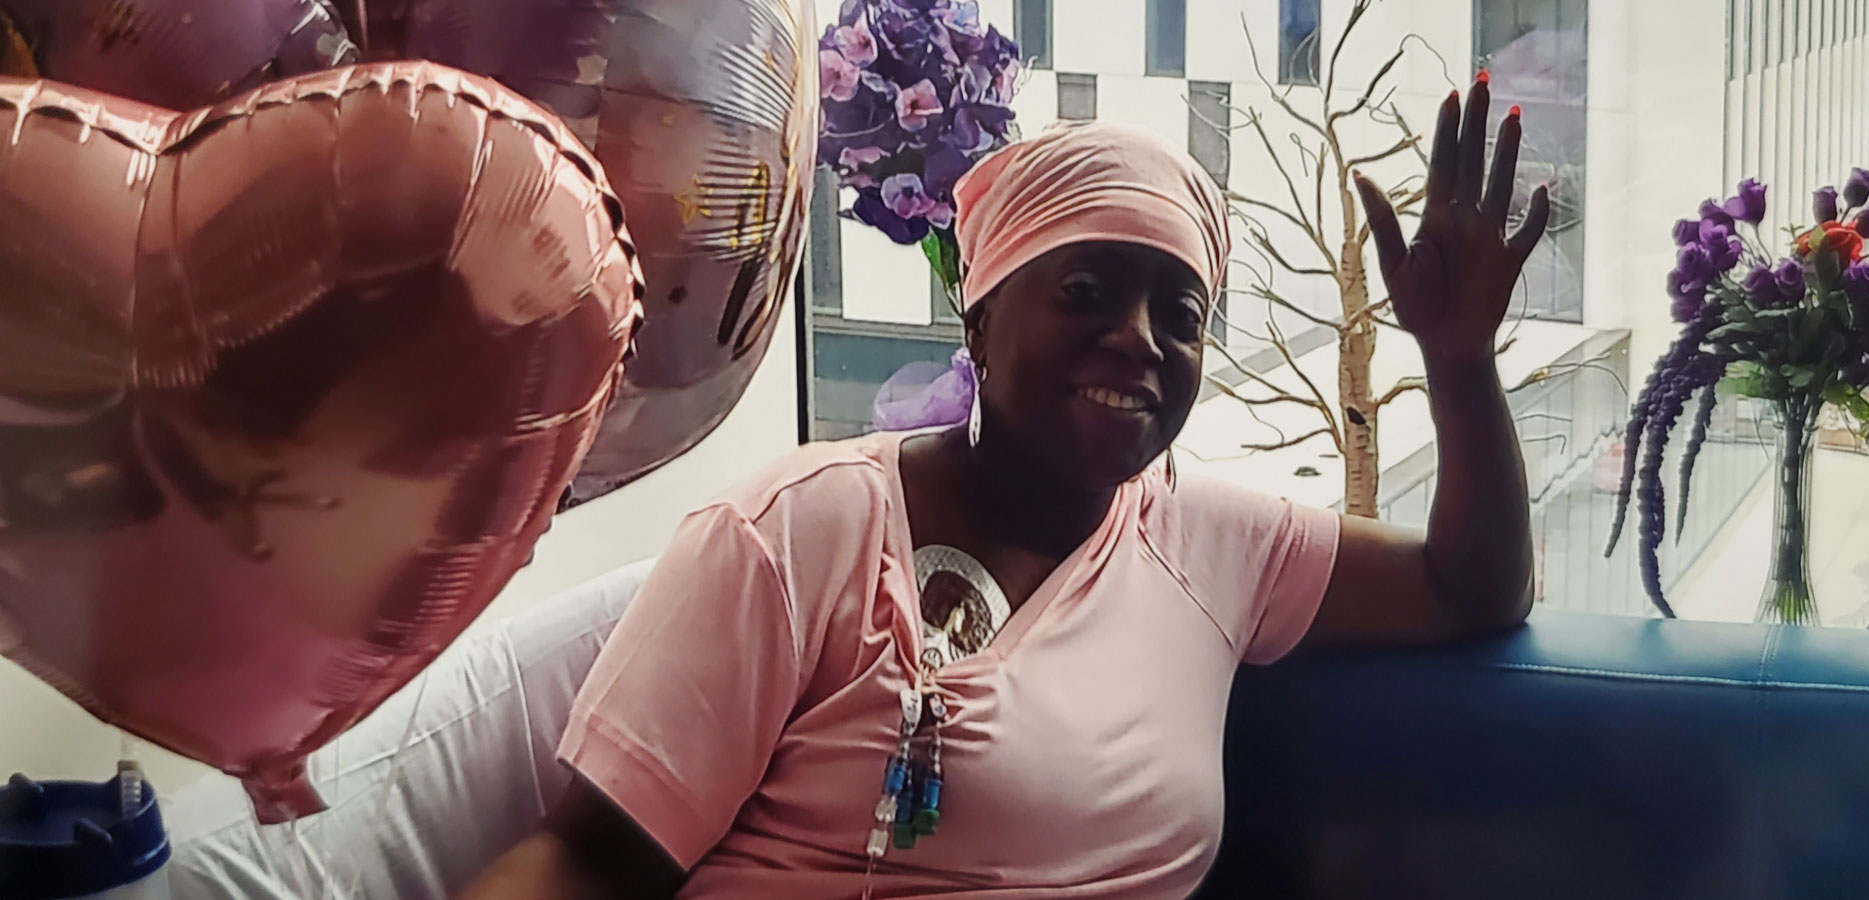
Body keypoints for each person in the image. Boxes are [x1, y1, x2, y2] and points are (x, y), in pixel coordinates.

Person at [461, 79, 1549, 900]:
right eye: (1085, 290)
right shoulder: (798, 532)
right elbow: (588, 863)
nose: (1139, 339)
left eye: (1181, 315)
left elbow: (1471, 586)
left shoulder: (1218, 546)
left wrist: (1457, 362)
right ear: (979, 322)